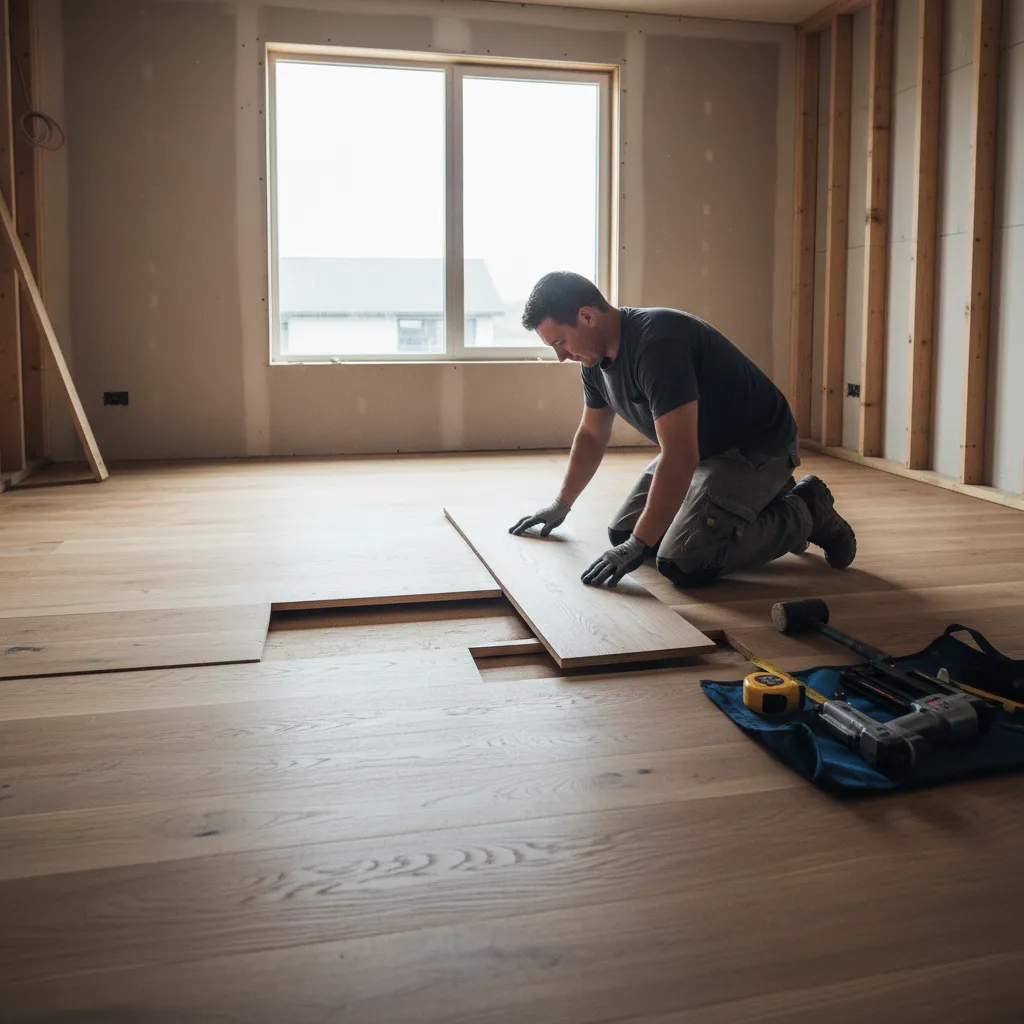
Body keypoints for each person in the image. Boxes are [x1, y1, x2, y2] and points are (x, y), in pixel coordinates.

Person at [509, 271, 856, 589]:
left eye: (559, 343)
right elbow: (591, 435)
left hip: (755, 449)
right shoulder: (594, 362)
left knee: (684, 563)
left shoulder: (656, 344)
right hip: (705, 451)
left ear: (587, 316)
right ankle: (765, 503)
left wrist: (639, 544)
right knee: (624, 534)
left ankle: (805, 511)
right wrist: (562, 503)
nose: (560, 356)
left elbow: (679, 456)